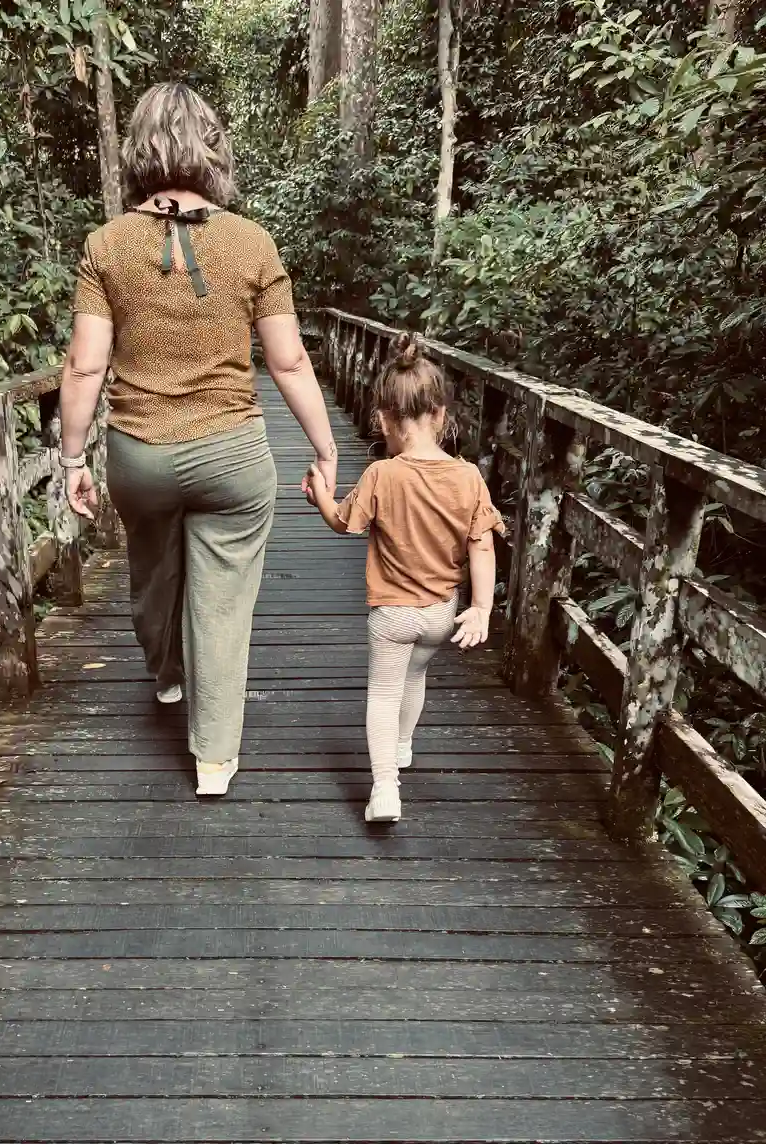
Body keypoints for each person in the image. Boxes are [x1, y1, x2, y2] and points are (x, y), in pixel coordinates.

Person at [58, 82, 338, 797]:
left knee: (153, 571)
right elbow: (290, 360)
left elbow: (86, 363)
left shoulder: (107, 245)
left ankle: (166, 674)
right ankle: (213, 758)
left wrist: (71, 459)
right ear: (211, 146)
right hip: (233, 455)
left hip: (139, 454)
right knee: (221, 599)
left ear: (140, 149)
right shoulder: (252, 242)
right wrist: (325, 445)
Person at [304, 334, 505, 824]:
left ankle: (385, 788)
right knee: (416, 674)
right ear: (440, 415)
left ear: (383, 419)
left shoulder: (381, 475)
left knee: (384, 690)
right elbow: (482, 544)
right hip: (442, 612)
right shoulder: (468, 478)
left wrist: (322, 496)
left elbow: (343, 523)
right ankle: (403, 746)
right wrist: (480, 607)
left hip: (392, 613)